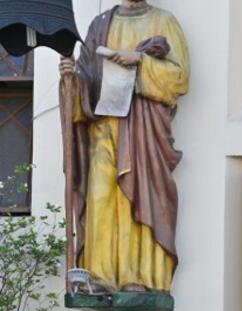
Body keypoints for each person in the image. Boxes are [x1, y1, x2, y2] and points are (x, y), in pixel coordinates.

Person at [59, 0, 189, 293]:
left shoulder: (163, 21)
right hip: (104, 127)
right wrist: (70, 79)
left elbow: (180, 79)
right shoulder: (100, 24)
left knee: (140, 196)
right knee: (101, 197)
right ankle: (99, 277)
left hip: (143, 130)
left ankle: (139, 278)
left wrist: (140, 61)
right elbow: (86, 80)